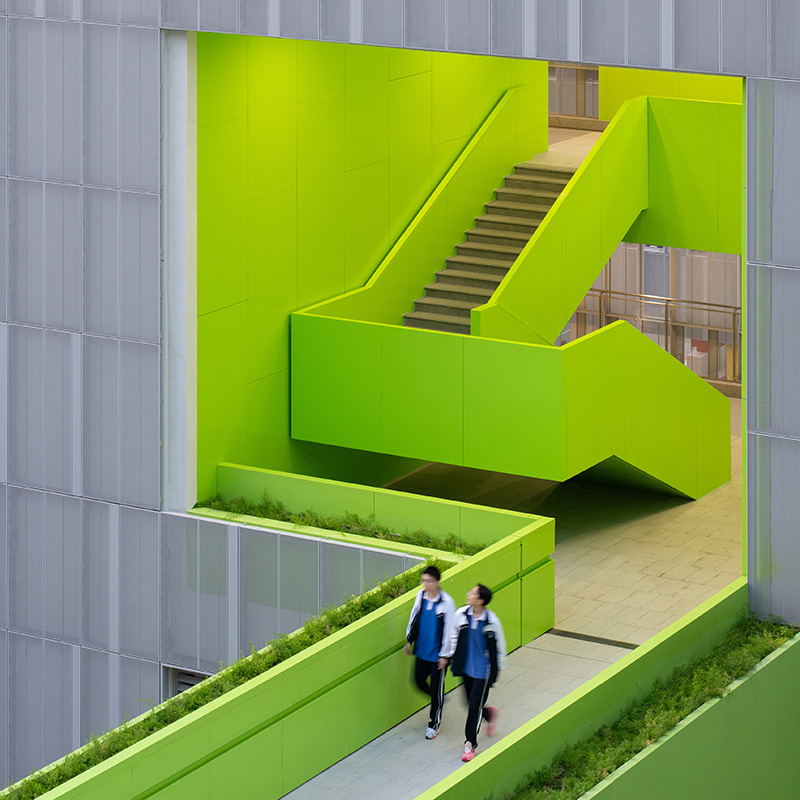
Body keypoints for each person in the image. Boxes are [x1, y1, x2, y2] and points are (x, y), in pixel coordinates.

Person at [442, 583, 506, 763]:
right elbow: (452, 635)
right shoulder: (461, 615)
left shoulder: (492, 621)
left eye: (472, 593)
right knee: (468, 703)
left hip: (482, 671)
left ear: (480, 600)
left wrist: (497, 669)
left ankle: (470, 744)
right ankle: (489, 715)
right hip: (465, 668)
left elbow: (500, 646)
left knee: (473, 708)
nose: (468, 594)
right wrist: (448, 655)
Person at [404, 565, 456, 739]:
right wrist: (409, 640)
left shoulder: (447, 602)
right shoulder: (421, 596)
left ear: (437, 582)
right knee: (418, 681)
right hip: (422, 650)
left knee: (436, 687)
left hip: (438, 655)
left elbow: (450, 630)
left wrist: (445, 655)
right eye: (423, 580)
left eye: (429, 581)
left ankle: (434, 724)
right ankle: (438, 698)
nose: (425, 584)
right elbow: (414, 617)